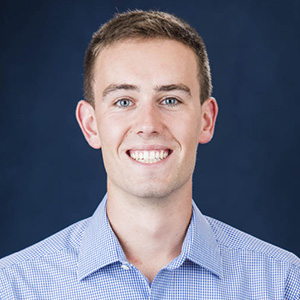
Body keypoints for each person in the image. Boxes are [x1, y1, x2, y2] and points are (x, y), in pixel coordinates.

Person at [0, 10, 299, 299]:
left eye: (170, 99)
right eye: (123, 101)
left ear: (206, 120)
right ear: (91, 125)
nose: (148, 125)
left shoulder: (282, 283)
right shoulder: (15, 287)